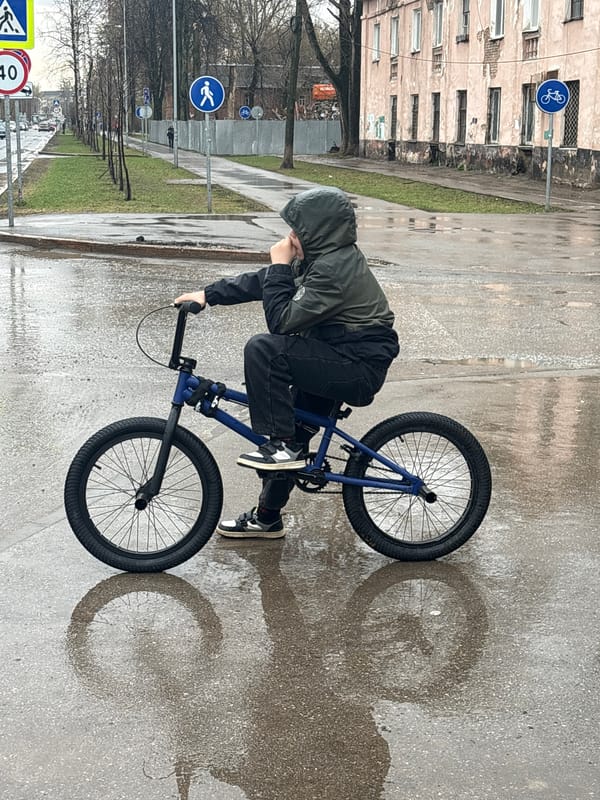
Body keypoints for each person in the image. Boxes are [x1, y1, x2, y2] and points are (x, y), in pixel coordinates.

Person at [174, 186, 399, 539]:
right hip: (335, 355)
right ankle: (267, 516)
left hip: (356, 365)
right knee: (291, 428)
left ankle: (283, 446)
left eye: (297, 229)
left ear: (318, 231)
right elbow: (265, 282)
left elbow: (281, 321)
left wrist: (279, 263)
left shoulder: (334, 268)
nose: (290, 237)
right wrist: (209, 295)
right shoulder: (320, 260)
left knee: (266, 349)